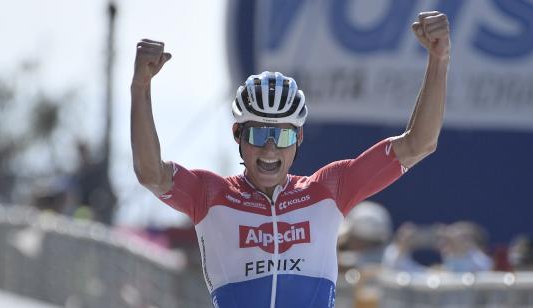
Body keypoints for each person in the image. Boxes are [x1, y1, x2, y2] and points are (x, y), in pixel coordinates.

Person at [131, 11, 450, 308]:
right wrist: (141, 87)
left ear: (298, 139)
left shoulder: (329, 188)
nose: (270, 150)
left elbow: (419, 144)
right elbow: (150, 174)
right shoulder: (210, 194)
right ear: (237, 135)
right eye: (258, 135)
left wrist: (439, 59)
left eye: (282, 136)